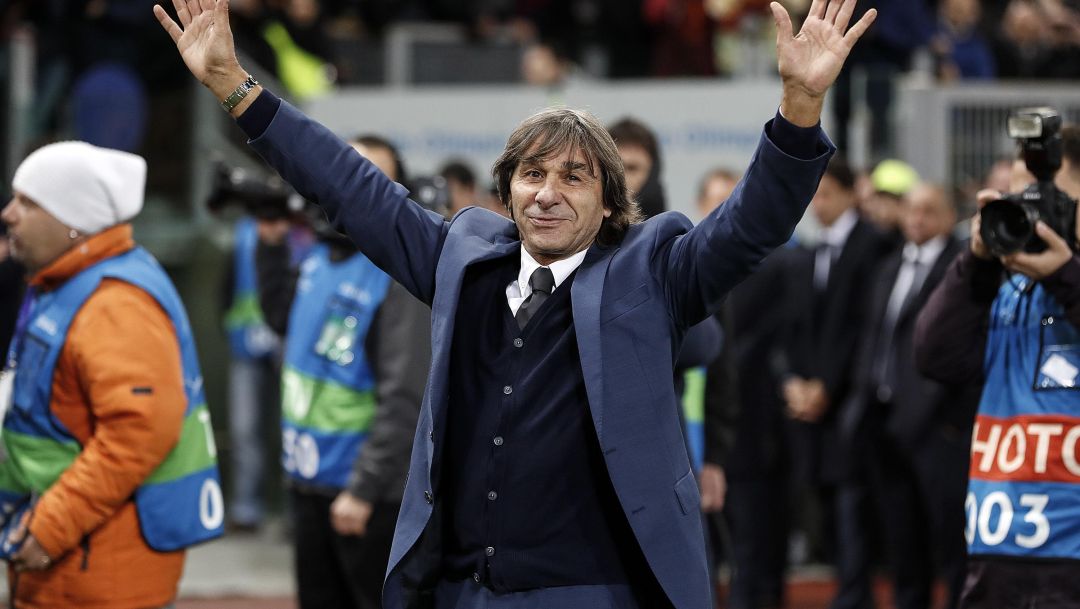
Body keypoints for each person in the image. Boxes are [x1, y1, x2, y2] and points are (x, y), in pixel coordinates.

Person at [155, 1, 877, 606]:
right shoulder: (461, 257)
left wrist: (800, 107)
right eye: (532, 173)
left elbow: (752, 224)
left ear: (610, 203)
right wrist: (233, 85)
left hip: (595, 592)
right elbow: (349, 184)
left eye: (574, 177)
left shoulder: (653, 270)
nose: (548, 191)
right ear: (507, 190)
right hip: (460, 591)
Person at [0, 141, 224, 608]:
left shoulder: (115, 304)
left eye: (28, 203)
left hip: (96, 567)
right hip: (72, 560)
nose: (9, 214)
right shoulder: (66, 280)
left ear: (72, 221)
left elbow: (137, 433)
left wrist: (49, 527)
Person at [256, 134, 432, 609]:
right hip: (309, 482)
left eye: (369, 178)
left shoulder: (399, 275)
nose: (350, 188)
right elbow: (282, 321)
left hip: (364, 497)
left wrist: (363, 489)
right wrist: (269, 249)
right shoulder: (316, 255)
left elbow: (405, 394)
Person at [914, 124, 1080, 608]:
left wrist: (1068, 275)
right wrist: (978, 262)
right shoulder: (1003, 288)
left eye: (1051, 199)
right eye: (1021, 198)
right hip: (996, 551)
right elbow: (933, 355)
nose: (1032, 212)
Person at [843, 183, 975, 609]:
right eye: (911, 210)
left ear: (949, 215)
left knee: (950, 544)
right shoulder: (887, 266)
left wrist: (930, 411)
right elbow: (871, 338)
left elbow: (959, 345)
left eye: (927, 210)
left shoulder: (963, 267)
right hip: (884, 424)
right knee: (902, 545)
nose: (916, 218)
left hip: (939, 428)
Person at [780, 157, 891, 607]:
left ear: (850, 194)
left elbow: (865, 328)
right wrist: (796, 382)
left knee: (854, 509)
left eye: (824, 193)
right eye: (812, 195)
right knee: (826, 506)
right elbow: (795, 327)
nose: (816, 204)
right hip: (815, 405)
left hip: (855, 404)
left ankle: (854, 596)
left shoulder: (875, 246)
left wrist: (827, 385)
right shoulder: (808, 250)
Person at [223, 214, 282, 532]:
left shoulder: (302, 235)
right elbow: (228, 287)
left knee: (292, 430)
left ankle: (294, 512)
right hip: (245, 345)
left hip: (288, 348)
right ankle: (247, 510)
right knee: (245, 430)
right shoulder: (243, 232)